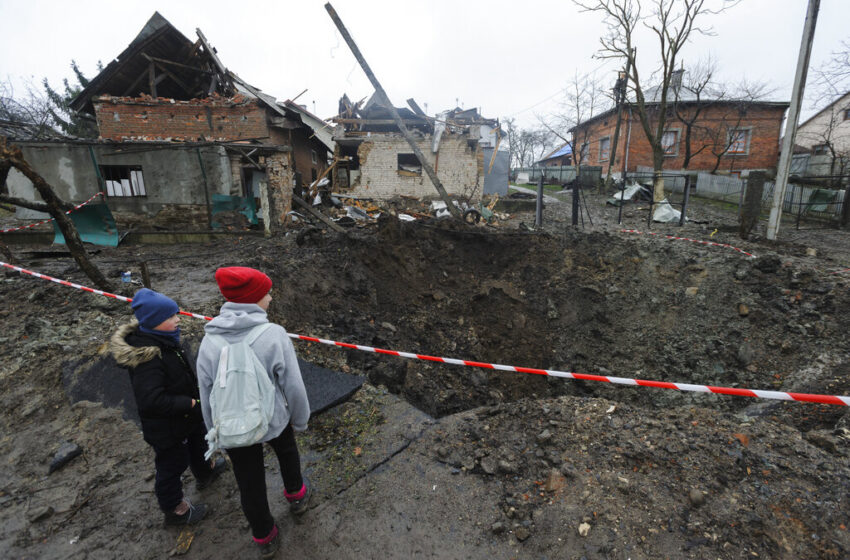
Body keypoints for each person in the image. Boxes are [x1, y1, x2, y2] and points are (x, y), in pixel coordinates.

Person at [196, 266, 311, 559]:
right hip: (273, 419)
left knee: (249, 482)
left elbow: (206, 394)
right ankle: (296, 496)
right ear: (252, 299)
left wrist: (215, 434)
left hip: (234, 429)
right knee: (287, 453)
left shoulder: (209, 340)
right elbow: (293, 385)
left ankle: (264, 535)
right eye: (266, 293)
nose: (271, 298)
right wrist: (300, 419)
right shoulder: (273, 335)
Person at [109, 288, 226, 526]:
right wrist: (189, 402)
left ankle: (205, 471)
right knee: (171, 466)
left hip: (187, 417)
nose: (177, 319)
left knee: (198, 442)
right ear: (154, 323)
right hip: (168, 428)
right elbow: (151, 400)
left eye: (175, 314)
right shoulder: (148, 358)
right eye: (170, 317)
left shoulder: (166, 341)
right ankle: (175, 509)